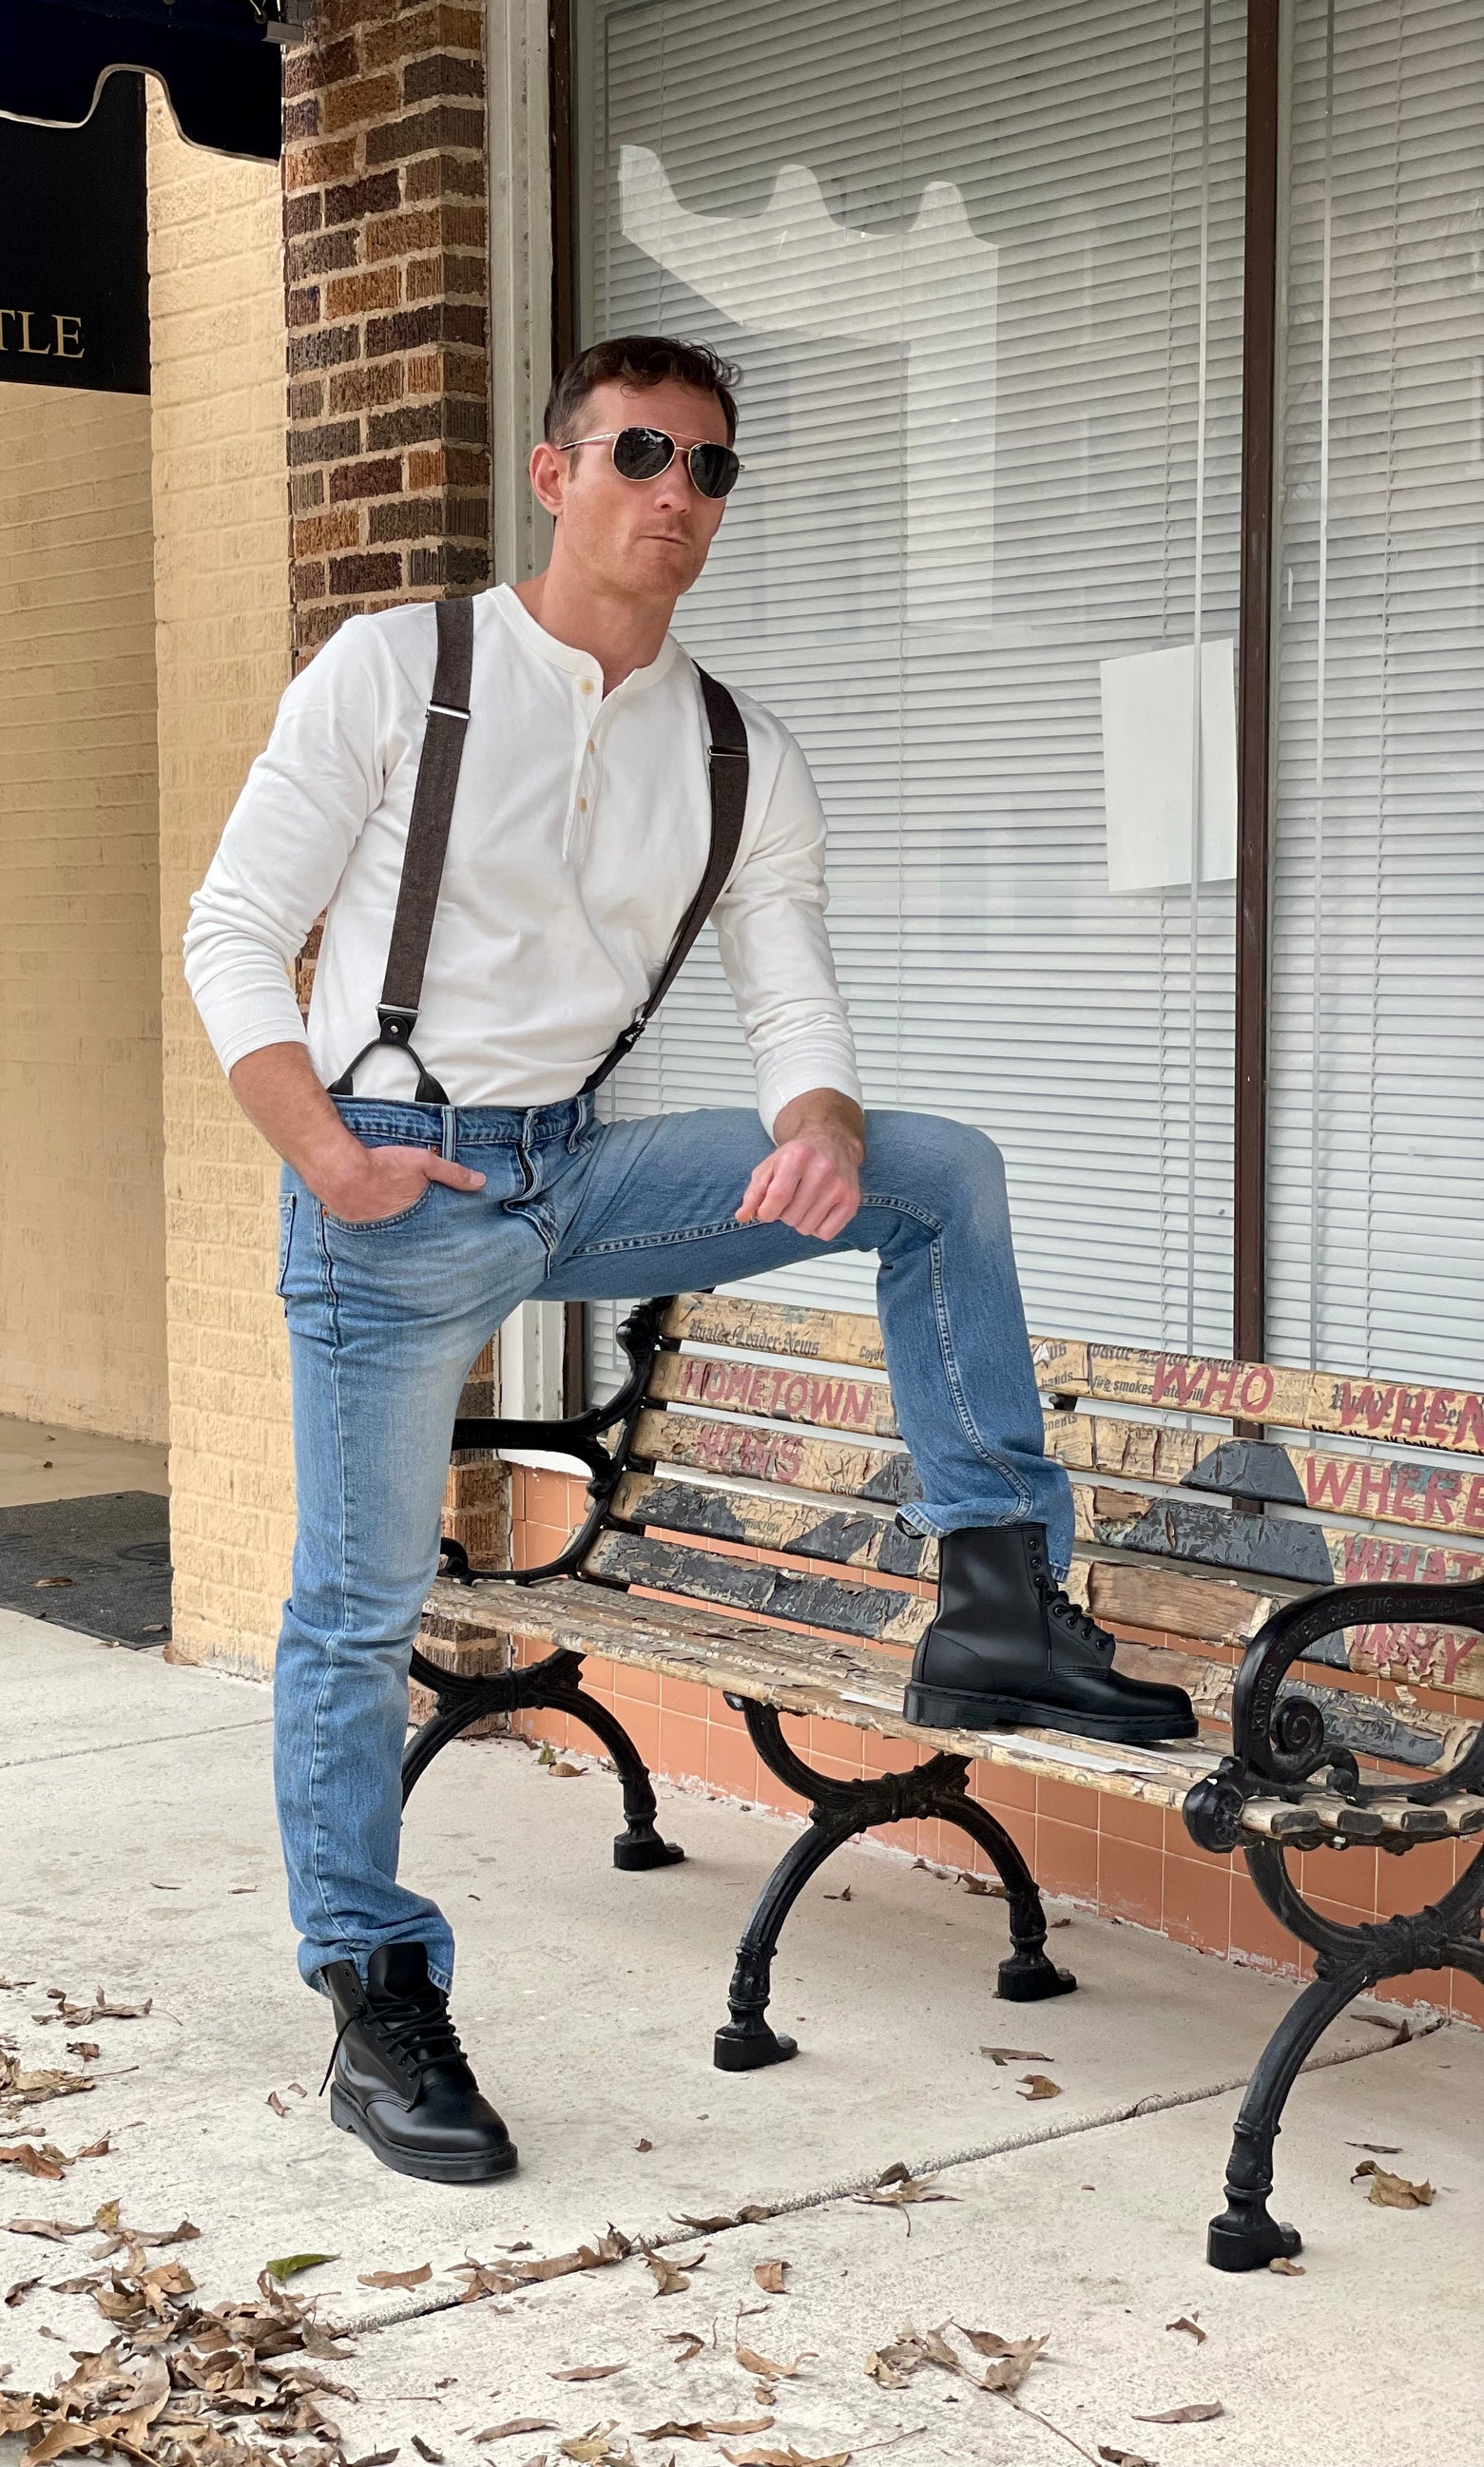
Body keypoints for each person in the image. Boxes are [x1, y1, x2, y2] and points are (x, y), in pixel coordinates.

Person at [183, 334, 1195, 2188]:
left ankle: (994, 1599)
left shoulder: (738, 750)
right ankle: (372, 1985)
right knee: (351, 1602)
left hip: (573, 1174)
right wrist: (321, 1147)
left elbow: (787, 982)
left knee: (932, 1172)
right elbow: (234, 930)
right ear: (552, 473)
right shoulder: (404, 670)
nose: (675, 489)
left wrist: (812, 1115)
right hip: (388, 1186)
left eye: (709, 468)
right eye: (639, 451)